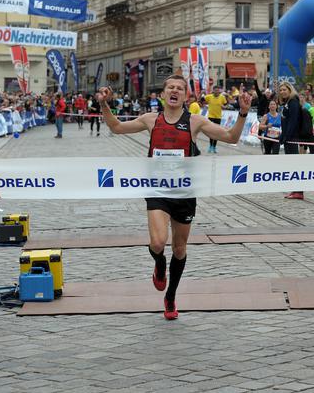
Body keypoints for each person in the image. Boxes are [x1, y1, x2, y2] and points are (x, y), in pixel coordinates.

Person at [98, 75, 252, 320]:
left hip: (184, 193)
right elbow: (116, 127)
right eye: (171, 87)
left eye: (180, 88)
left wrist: (243, 113)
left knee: (179, 248)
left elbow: (232, 138)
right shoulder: (151, 119)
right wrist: (104, 104)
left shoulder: (195, 122)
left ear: (185, 96)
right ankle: (159, 264)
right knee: (158, 243)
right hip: (158, 190)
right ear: (163, 93)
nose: (175, 90)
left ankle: (170, 296)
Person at [278, 81, 302, 199]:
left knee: (294, 163)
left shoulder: (293, 102)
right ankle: (295, 189)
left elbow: (293, 121)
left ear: (290, 90)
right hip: (287, 137)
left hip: (292, 138)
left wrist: (287, 136)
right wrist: (283, 135)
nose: (282, 92)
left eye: (284, 89)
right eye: (280, 90)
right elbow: (285, 122)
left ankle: (299, 191)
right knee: (291, 163)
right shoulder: (286, 102)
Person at [204, 85, 229, 153]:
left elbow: (226, 104)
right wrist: (204, 104)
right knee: (211, 132)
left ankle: (214, 147)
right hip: (210, 116)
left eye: (218, 90)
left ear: (219, 91)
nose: (217, 91)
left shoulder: (222, 97)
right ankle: (210, 146)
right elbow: (202, 100)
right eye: (215, 90)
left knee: (216, 133)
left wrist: (224, 106)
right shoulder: (209, 96)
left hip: (218, 117)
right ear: (213, 90)